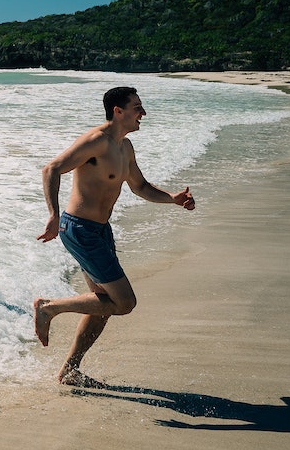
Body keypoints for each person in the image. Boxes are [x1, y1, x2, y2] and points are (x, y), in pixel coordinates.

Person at [33, 86, 196, 385]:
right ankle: (49, 308)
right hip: (80, 230)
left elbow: (140, 187)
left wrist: (172, 198)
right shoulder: (96, 141)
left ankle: (69, 371)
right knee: (124, 303)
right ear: (118, 111)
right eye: (137, 107)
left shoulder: (125, 148)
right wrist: (54, 216)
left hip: (100, 231)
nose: (142, 113)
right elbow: (51, 169)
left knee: (102, 305)